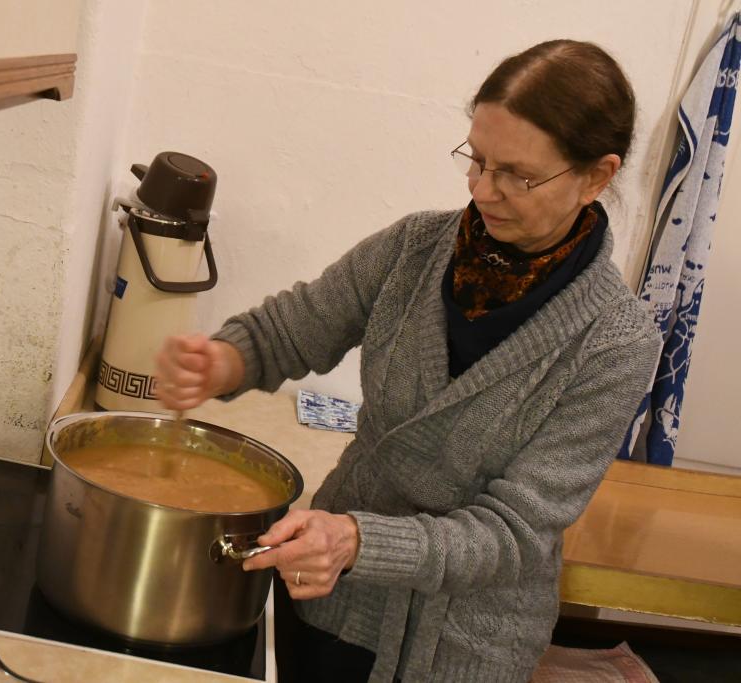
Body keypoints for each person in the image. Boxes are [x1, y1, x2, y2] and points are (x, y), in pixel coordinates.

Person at [155, 39, 660, 683]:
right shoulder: (416, 249)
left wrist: (361, 541)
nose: (483, 189)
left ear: (597, 175)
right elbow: (296, 328)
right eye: (477, 159)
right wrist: (224, 360)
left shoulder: (614, 341)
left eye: (518, 174)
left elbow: (513, 533)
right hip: (328, 597)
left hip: (460, 645)